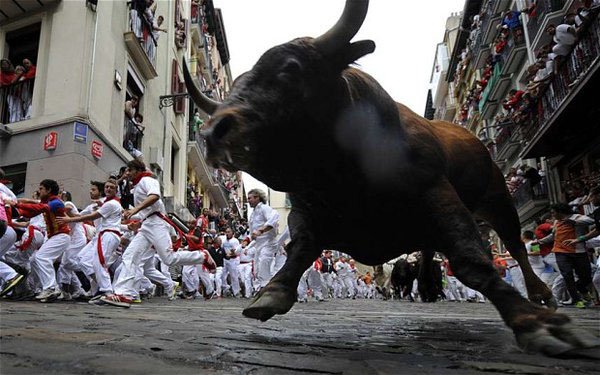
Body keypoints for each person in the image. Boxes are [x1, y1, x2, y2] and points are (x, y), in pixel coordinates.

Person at [100, 159, 215, 308]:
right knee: (130, 256)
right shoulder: (137, 186)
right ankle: (124, 294)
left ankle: (202, 256)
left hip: (157, 224)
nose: (126, 173)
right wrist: (130, 214)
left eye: (129, 170)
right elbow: (145, 213)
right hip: (147, 225)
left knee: (169, 259)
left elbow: (154, 196)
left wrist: (134, 210)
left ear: (138, 170)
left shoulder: (148, 180)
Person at [57, 179, 123, 300]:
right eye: (107, 187)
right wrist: (68, 214)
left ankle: (107, 292)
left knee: (99, 263)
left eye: (111, 188)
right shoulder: (95, 204)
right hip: (99, 236)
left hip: (108, 235)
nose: (108, 189)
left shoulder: (111, 204)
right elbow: (80, 216)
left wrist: (68, 219)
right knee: (83, 260)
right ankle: (101, 287)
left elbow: (93, 216)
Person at [9, 179, 71, 302]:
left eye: (41, 188)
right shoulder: (48, 202)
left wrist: (15, 204)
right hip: (55, 237)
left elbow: (39, 208)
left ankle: (51, 288)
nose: (39, 191)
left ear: (48, 190)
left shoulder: (56, 202)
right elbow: (30, 212)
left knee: (42, 258)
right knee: (34, 259)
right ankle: (53, 288)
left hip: (61, 236)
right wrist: (12, 211)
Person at [535, 203, 595, 308]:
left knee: (586, 275)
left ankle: (581, 288)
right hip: (561, 252)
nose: (552, 215)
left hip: (578, 251)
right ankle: (577, 300)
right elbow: (553, 236)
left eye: (553, 212)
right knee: (567, 275)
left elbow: (591, 221)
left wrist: (572, 221)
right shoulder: (557, 222)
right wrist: (540, 242)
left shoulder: (576, 217)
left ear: (560, 211)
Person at [247, 188, 280, 290]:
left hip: (269, 242)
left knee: (263, 262)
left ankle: (266, 288)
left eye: (250, 198)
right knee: (257, 269)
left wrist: (261, 230)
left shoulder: (264, 208)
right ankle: (263, 287)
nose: (248, 200)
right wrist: (247, 241)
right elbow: (252, 233)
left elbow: (274, 218)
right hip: (259, 244)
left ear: (257, 197)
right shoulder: (252, 215)